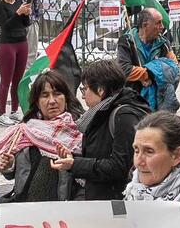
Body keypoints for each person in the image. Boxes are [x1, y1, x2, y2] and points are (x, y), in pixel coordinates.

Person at [51, 58, 142, 201]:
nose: (82, 95)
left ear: (100, 90)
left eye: (85, 88)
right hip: (101, 199)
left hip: (117, 205)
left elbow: (119, 167)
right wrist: (73, 159)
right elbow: (99, 157)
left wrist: (75, 164)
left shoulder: (123, 116)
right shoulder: (101, 113)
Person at [0, 68, 82, 203]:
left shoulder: (78, 132)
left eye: (57, 94)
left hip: (62, 211)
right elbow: (13, 175)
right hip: (26, 208)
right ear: (37, 102)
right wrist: (9, 166)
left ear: (66, 98)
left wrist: (73, 164)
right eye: (45, 95)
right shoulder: (25, 131)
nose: (52, 101)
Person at [129, 110, 180, 201]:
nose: (138, 162)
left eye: (149, 151)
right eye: (136, 151)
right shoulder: (131, 189)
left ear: (176, 155)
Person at [0, 0, 35, 126]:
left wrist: (26, 13)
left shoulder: (19, 2)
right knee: (6, 81)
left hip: (21, 43)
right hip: (7, 45)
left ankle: (15, 111)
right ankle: (1, 114)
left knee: (18, 80)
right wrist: (17, 13)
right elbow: (5, 25)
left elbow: (24, 23)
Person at [119, 5, 180, 113]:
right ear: (145, 25)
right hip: (133, 102)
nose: (162, 27)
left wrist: (150, 73)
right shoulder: (127, 41)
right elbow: (124, 70)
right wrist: (147, 74)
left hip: (158, 102)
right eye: (158, 23)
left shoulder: (163, 43)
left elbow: (174, 68)